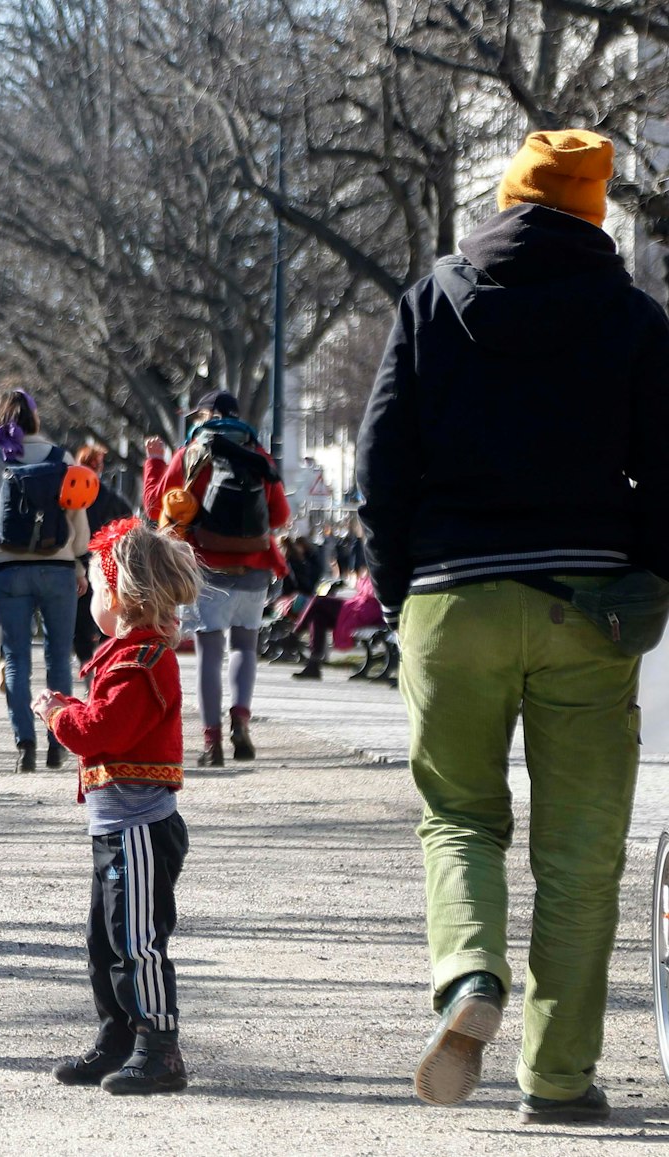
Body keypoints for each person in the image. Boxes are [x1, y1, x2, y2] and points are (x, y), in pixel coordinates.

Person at [358, 129, 669, 1124]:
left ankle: (466, 979)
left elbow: (378, 465)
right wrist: (649, 572)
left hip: (451, 597)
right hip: (586, 603)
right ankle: (559, 1077)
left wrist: (400, 586)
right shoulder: (632, 318)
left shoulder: (430, 301)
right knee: (579, 855)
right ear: (593, 211)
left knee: (456, 815)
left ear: (504, 201)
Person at [38, 518, 201, 1096]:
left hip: (139, 828)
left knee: (137, 940)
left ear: (121, 592)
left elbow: (101, 730)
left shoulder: (145, 658)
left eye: (95, 587)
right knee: (104, 940)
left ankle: (159, 1046)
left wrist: (58, 714)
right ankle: (117, 1037)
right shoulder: (127, 653)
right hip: (117, 825)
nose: (90, 600)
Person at [142, 388, 289, 766]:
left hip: (207, 566)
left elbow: (160, 505)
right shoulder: (258, 454)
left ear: (208, 415)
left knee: (210, 653)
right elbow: (279, 516)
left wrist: (155, 462)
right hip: (254, 565)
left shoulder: (193, 452)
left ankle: (212, 743)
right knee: (244, 646)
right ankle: (240, 719)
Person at [0, 389, 91, 772]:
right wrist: (79, 562)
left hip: (10, 568)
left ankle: (24, 743)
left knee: (15, 659)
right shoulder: (61, 457)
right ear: (34, 418)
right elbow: (77, 518)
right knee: (58, 658)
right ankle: (57, 740)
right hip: (59, 568)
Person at [73, 446, 139, 670]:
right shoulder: (109, 497)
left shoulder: (71, 492)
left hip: (80, 560)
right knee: (107, 615)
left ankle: (85, 661)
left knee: (81, 618)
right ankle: (102, 661)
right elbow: (130, 522)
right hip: (107, 563)